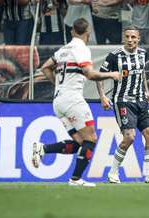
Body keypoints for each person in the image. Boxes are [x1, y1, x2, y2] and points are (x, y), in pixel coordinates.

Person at [32, 18, 122, 187]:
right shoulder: (81, 49)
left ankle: (43, 149)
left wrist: (58, 84)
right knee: (91, 139)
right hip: (72, 99)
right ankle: (75, 179)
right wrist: (111, 75)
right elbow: (89, 74)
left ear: (72, 31)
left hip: (58, 101)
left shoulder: (63, 50)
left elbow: (45, 67)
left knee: (81, 143)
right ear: (88, 33)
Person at [96, 26, 149, 184]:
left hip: (141, 100)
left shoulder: (142, 53)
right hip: (123, 101)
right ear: (123, 38)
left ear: (138, 39)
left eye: (133, 37)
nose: (130, 40)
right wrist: (102, 98)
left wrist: (147, 91)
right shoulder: (114, 56)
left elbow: (142, 72)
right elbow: (100, 76)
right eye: (127, 36)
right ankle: (113, 172)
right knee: (129, 137)